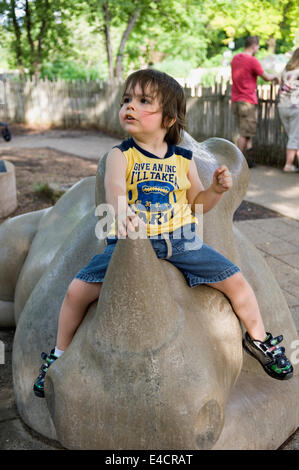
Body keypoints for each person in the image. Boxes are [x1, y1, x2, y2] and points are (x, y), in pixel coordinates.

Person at [33, 69, 293, 398]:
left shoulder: (182, 159)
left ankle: (259, 339)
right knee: (76, 293)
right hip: (131, 244)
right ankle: (58, 355)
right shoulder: (120, 155)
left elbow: (198, 205)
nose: (130, 106)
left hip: (182, 242)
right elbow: (115, 190)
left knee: (237, 282)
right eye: (127, 99)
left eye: (143, 101)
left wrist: (215, 189)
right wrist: (123, 214)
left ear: (168, 118)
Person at [231, 36, 280, 167]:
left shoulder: (235, 58)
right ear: (254, 46)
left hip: (236, 100)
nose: (258, 49)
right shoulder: (252, 61)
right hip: (247, 101)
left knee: (247, 132)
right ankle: (238, 162)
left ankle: (249, 161)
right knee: (245, 133)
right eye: (258, 46)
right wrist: (275, 77)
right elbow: (266, 77)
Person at [277, 47, 299, 172]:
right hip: (296, 107)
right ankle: (288, 165)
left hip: (283, 106)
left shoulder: (286, 70)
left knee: (294, 136)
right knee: (294, 138)